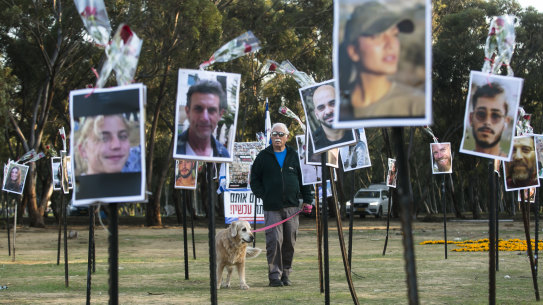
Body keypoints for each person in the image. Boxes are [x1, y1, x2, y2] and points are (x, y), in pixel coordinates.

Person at [250, 123, 312, 287]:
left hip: (292, 207)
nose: (277, 137)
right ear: (271, 137)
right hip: (272, 207)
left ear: (287, 137)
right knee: (274, 240)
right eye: (274, 134)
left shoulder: (294, 155)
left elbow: (305, 179)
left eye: (280, 134)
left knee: (289, 242)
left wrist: (308, 199)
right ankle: (274, 276)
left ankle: (286, 274)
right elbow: (254, 179)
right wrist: (263, 195)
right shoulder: (263, 156)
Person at [338, 1, 424, 120]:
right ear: (353, 51)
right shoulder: (338, 108)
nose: (391, 45)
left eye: (395, 35)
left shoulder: (417, 105)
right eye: (377, 36)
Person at [176, 79, 230, 158]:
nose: (204, 118)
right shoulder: (173, 149)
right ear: (187, 111)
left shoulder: (224, 155)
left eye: (211, 110)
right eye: (198, 109)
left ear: (220, 115)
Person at [467, 83, 511, 157]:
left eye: (495, 115)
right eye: (481, 114)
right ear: (471, 119)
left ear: (505, 122)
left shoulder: (510, 167)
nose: (487, 122)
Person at [311, 84, 353, 149]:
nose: (328, 111)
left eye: (333, 103)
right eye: (321, 108)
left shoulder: (357, 132)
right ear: (316, 114)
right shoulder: (313, 145)